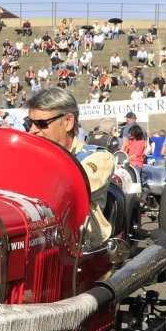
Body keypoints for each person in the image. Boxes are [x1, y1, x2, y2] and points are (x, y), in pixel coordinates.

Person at [23, 87, 114, 248]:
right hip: (37, 242)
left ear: (68, 122)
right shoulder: (27, 156)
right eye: (29, 123)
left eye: (41, 124)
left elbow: (73, 186)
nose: (32, 130)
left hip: (81, 250)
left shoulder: (98, 157)